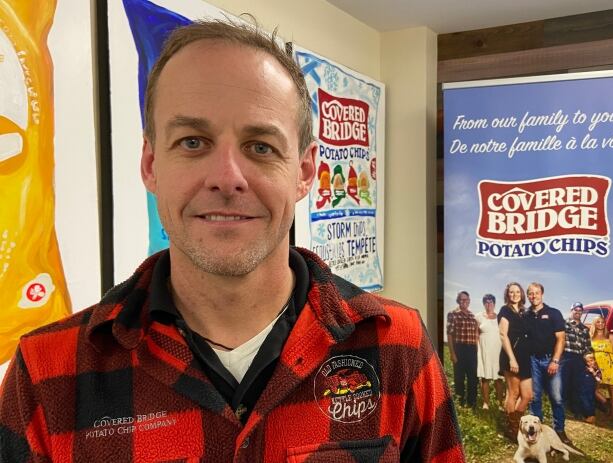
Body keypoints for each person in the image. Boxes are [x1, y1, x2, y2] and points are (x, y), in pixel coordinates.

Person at [0, 20, 465, 462]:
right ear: (150, 164)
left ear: (304, 172)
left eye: (261, 147)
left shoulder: (395, 346)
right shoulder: (47, 375)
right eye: (193, 142)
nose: (227, 178)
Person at [526, 282, 572, 445]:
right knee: (535, 398)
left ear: (542, 294)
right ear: (528, 296)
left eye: (536, 293)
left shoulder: (553, 313)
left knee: (557, 398)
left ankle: (559, 431)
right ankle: (537, 434)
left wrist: (555, 360)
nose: (533, 296)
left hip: (551, 360)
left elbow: (561, 339)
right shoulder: (526, 315)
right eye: (530, 293)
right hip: (533, 360)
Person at [498, 282, 532, 438]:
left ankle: (515, 420)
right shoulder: (505, 310)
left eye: (517, 291)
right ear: (507, 294)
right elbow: (503, 335)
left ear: (521, 294)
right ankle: (511, 428)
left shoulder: (525, 312)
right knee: (513, 393)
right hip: (511, 356)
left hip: (525, 357)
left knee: (527, 395)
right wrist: (512, 359)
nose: (514, 294)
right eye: (511, 292)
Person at [447, 291, 479, 407]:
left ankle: (472, 403)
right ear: (458, 301)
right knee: (459, 378)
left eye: (466, 300)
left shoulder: (472, 316)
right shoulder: (453, 314)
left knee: (472, 378)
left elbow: (475, 335)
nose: (464, 302)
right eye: (462, 300)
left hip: (472, 350)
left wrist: (477, 351)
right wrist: (452, 353)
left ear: (469, 301)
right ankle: (460, 403)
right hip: (459, 348)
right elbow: (449, 334)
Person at [561, 302, 592, 419]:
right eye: (575, 310)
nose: (578, 312)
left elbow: (588, 347)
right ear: (571, 311)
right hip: (566, 357)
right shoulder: (564, 324)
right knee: (563, 384)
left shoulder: (585, 329)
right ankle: (561, 410)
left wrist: (590, 361)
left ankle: (576, 411)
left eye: (580, 310)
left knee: (577, 385)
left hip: (579, 359)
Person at [475, 294, 505, 410]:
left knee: (498, 379)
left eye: (491, 302)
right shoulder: (478, 317)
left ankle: (500, 403)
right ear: (484, 304)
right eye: (486, 302)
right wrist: (477, 350)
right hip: (484, 350)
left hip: (497, 350)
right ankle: (486, 403)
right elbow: (476, 335)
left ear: (494, 303)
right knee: (485, 378)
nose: (489, 304)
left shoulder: (500, 317)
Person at [591, 315, 613, 421]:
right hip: (597, 366)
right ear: (594, 324)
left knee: (612, 389)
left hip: (610, 364)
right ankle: (607, 405)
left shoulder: (610, 336)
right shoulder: (590, 336)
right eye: (598, 322)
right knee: (593, 389)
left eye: (602, 322)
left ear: (605, 324)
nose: (600, 324)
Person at [582, 352, 604, 424]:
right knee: (584, 398)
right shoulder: (585, 368)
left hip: (592, 386)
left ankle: (591, 415)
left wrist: (593, 373)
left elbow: (600, 380)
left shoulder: (597, 369)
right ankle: (587, 414)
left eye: (591, 361)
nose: (589, 363)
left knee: (590, 399)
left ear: (595, 360)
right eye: (587, 361)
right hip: (585, 386)